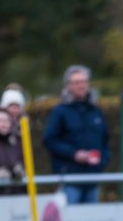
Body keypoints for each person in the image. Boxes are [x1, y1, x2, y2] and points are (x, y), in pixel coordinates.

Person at [43, 65, 109, 204]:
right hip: (69, 179)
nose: (82, 86)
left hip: (93, 179)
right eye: (77, 82)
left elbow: (105, 141)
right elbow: (49, 140)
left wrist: (102, 162)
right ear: (68, 86)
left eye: (84, 82)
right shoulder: (60, 112)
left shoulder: (96, 111)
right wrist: (74, 154)